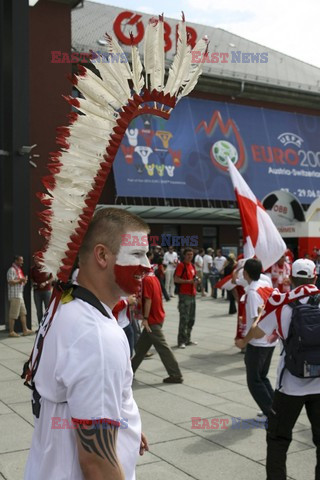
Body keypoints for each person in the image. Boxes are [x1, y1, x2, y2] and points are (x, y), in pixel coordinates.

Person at [24, 208, 151, 480]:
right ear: (102, 255)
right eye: (138, 254)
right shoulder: (98, 337)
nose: (149, 265)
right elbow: (97, 463)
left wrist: (123, 423)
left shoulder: (64, 302)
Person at [238, 258, 320, 480]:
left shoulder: (281, 303)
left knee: (278, 440)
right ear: (315, 277)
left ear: (291, 279)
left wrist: (260, 316)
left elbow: (258, 333)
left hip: (290, 386)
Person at [235, 258, 277, 420]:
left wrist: (243, 342)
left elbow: (256, 323)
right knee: (262, 376)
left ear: (245, 273)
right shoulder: (266, 285)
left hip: (259, 342)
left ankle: (271, 414)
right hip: (271, 339)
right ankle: (273, 409)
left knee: (254, 381)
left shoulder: (252, 292)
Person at [131, 252, 183, 383]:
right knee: (141, 348)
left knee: (162, 347)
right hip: (158, 316)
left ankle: (176, 374)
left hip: (152, 320)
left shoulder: (147, 280)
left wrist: (146, 318)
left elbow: (148, 300)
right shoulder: (153, 277)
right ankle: (129, 372)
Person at [174, 247, 198, 349]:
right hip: (184, 295)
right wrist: (188, 282)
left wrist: (197, 281)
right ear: (184, 255)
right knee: (184, 318)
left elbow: (194, 278)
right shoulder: (181, 265)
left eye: (191, 255)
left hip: (192, 294)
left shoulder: (192, 266)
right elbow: (176, 279)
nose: (190, 256)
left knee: (191, 318)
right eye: (188, 254)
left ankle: (187, 339)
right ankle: (181, 341)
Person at [7, 255, 33, 337]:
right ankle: (11, 331)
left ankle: (25, 330)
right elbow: (10, 282)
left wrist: (24, 281)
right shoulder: (11, 270)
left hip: (19, 294)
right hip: (15, 295)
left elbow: (19, 282)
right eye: (21, 260)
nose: (22, 262)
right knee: (13, 314)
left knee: (23, 313)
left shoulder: (18, 270)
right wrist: (20, 280)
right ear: (16, 261)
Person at [30, 255, 53, 325]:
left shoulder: (46, 267)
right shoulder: (32, 269)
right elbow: (31, 278)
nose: (36, 261)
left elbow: (52, 278)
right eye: (35, 260)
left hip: (47, 291)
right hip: (37, 291)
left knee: (48, 309)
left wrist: (45, 283)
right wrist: (34, 283)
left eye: (37, 259)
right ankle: (40, 327)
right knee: (39, 310)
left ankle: (47, 326)